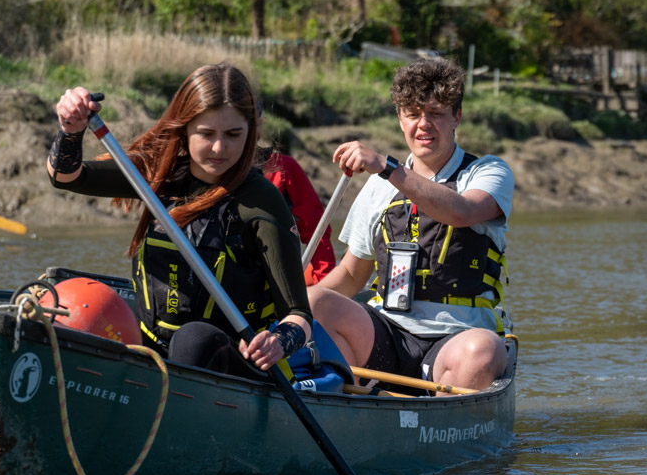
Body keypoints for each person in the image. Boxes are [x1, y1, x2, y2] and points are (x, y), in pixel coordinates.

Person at [47, 63, 312, 378]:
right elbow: (65, 177)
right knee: (64, 296)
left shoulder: (261, 201)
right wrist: (71, 130)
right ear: (184, 129)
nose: (219, 148)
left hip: (230, 365)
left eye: (233, 134)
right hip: (154, 350)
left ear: (250, 132)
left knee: (192, 338)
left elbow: (299, 315)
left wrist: (279, 342)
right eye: (206, 133)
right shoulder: (155, 173)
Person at [307, 57, 514, 395]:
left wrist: (386, 167)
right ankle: (347, 405)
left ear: (456, 116)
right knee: (314, 304)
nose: (424, 125)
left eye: (436, 113)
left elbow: (462, 211)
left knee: (484, 351)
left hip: (458, 338)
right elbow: (350, 275)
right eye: (413, 114)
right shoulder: (377, 187)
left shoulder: (489, 172)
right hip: (386, 333)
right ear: (400, 118)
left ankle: (441, 425)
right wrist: (291, 309)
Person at [261, 149, 336, 285]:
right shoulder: (213, 169)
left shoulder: (283, 167)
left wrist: (325, 285)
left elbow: (316, 229)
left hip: (275, 274)